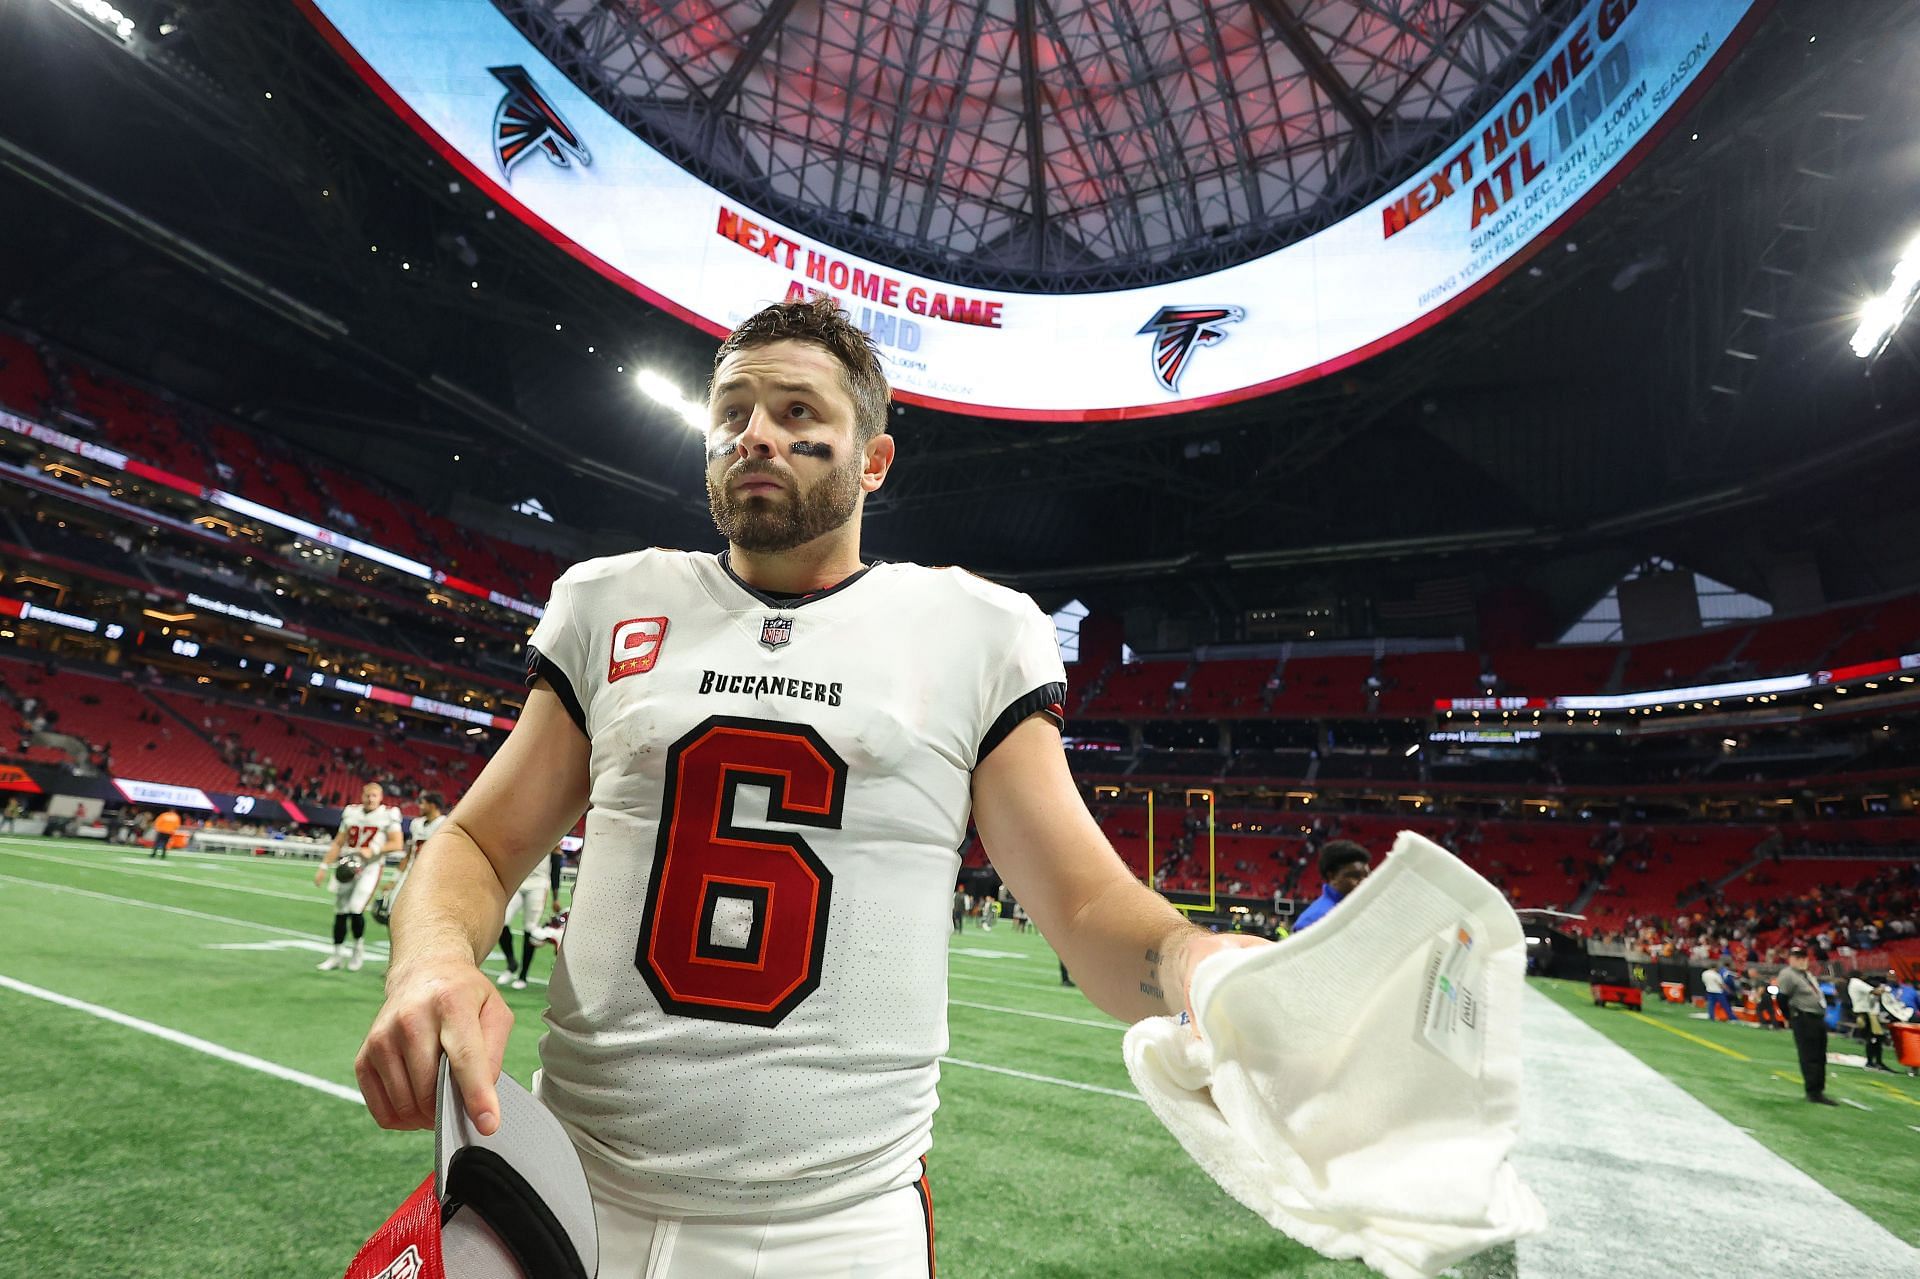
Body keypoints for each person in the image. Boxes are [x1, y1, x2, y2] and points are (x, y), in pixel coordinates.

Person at [353, 297, 1266, 1275]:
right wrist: (431, 962)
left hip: (833, 1224)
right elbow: (479, 846)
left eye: (797, 412)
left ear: (873, 460)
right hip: (571, 1185)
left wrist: (1197, 966)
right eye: (734, 409)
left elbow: (1083, 903)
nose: (756, 433)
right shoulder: (608, 599)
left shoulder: (975, 630)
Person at [314, 782, 403, 972]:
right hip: (348, 864)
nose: (370, 799)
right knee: (339, 911)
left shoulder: (388, 815)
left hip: (370, 866)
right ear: (361, 796)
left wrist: (375, 849)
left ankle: (357, 951)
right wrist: (323, 866)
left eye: (374, 796)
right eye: (367, 795)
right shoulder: (351, 812)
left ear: (380, 798)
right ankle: (337, 955)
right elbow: (339, 842)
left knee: (355, 909)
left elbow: (397, 843)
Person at [1775, 946, 1837, 1104]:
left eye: (1803, 957)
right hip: (1803, 1017)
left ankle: (1819, 1089)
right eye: (1797, 957)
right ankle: (1813, 1091)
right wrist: (1789, 1017)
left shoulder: (1807, 974)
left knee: (1820, 1055)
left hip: (1816, 1017)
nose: (1801, 960)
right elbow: (1782, 998)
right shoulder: (1788, 974)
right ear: (1790, 959)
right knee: (1810, 1055)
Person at [499, 846, 564, 991]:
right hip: (518, 880)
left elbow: (556, 864)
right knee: (500, 922)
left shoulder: (551, 832)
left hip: (538, 885)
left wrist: (555, 896)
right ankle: (511, 963)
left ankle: (523, 975)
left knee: (531, 927)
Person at [383, 790, 447, 918]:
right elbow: (409, 854)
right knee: (393, 908)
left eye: (423, 803)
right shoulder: (416, 824)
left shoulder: (444, 824)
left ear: (432, 805)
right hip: (411, 871)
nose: (420, 807)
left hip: (432, 876)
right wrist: (394, 879)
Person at [1293, 840, 1372, 932]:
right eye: (1354, 876)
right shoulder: (1312, 921)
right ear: (1332, 877)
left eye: (1367, 876)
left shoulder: (1367, 909)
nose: (1364, 882)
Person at [1849, 970, 1892, 1072]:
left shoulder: (1853, 983)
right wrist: (1883, 988)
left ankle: (1876, 1062)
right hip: (1866, 1014)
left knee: (1874, 1038)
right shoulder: (1857, 983)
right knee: (1873, 1038)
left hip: (1864, 1013)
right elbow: (1876, 992)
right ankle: (1872, 1062)